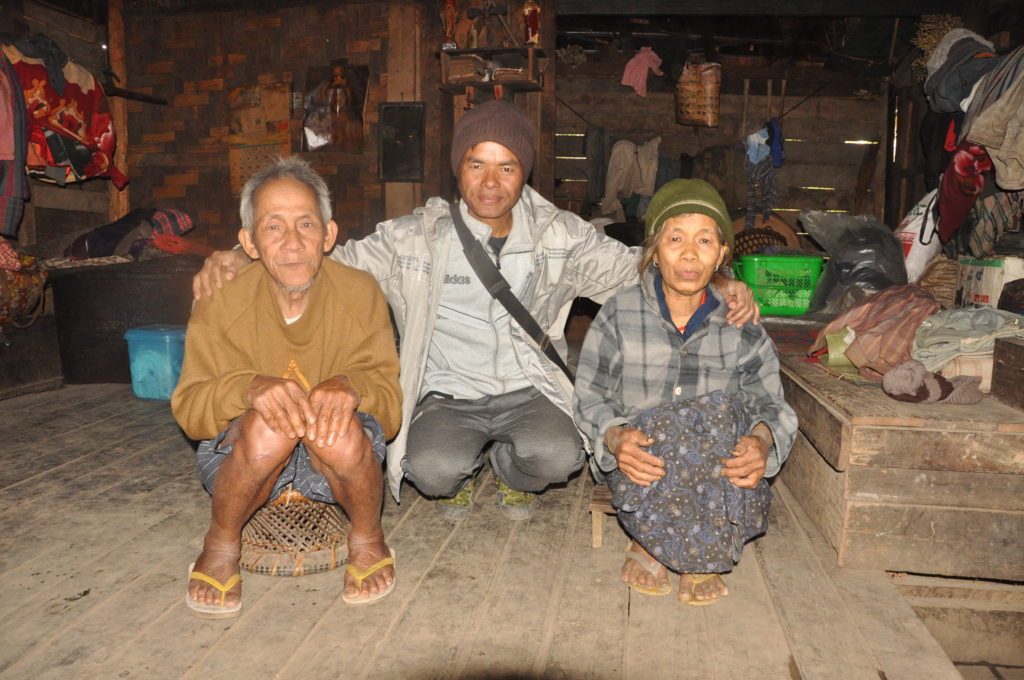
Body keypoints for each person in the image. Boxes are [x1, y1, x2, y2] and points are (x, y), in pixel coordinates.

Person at [192, 99, 758, 522]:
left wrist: (719, 278)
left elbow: (637, 267)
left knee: (558, 456)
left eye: (506, 166)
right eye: (476, 164)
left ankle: (511, 473)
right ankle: (459, 471)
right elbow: (325, 255)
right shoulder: (415, 238)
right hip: (447, 392)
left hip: (529, 389)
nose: (490, 182)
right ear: (457, 168)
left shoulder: (562, 235)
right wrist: (236, 259)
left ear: (525, 171)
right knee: (430, 472)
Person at [172, 156, 402, 617]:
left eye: (305, 225)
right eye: (273, 228)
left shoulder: (360, 292)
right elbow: (189, 408)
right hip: (243, 462)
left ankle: (368, 538)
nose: (293, 243)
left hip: (336, 463)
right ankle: (220, 545)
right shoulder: (220, 300)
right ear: (249, 243)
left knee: (330, 422)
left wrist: (350, 386)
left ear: (329, 235)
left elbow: (392, 407)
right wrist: (248, 389)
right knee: (268, 425)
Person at [573, 178, 796, 605]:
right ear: (654, 250)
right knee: (674, 425)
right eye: (675, 238)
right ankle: (662, 544)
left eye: (705, 240)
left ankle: (669, 549)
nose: (690, 253)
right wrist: (615, 436)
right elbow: (589, 394)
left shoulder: (740, 324)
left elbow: (771, 401)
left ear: (722, 254)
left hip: (714, 475)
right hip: (644, 467)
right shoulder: (620, 313)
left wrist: (763, 440)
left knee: (719, 414)